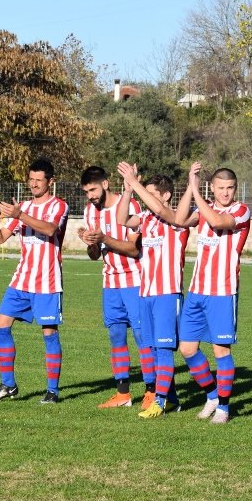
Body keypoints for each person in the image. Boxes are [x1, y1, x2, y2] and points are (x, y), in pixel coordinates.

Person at [0, 158, 69, 404]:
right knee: (0, 325)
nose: (34, 184)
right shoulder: (24, 206)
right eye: (31, 179)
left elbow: (50, 229)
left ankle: (52, 391)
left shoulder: (59, 206)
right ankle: (8, 385)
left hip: (48, 282)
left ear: (51, 182)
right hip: (21, 280)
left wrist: (20, 214)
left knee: (49, 333)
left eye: (39, 180)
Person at [171, 162, 252, 424]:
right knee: (187, 349)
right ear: (212, 188)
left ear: (235, 189)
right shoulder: (204, 206)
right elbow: (180, 220)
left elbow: (218, 221)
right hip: (196, 291)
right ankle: (212, 395)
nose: (225, 193)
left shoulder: (241, 211)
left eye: (230, 188)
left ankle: (224, 409)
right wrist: (190, 187)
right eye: (220, 188)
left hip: (222, 292)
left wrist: (198, 194)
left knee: (221, 352)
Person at [115, 163, 190, 418]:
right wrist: (127, 191)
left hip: (168, 292)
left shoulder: (177, 218)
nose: (146, 198)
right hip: (146, 292)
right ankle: (172, 399)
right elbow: (122, 220)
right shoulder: (146, 218)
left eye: (151, 193)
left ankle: (159, 401)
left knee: (165, 347)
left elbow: (159, 208)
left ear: (166, 194)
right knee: (154, 349)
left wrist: (135, 183)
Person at [78, 166, 155, 409]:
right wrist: (90, 243)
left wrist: (103, 239)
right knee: (116, 336)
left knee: (142, 336)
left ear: (106, 184)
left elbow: (134, 249)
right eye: (86, 191)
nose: (90, 195)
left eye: (93, 189)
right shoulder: (90, 212)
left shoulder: (129, 205)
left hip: (135, 281)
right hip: (110, 283)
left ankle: (152, 390)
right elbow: (94, 255)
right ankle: (123, 393)